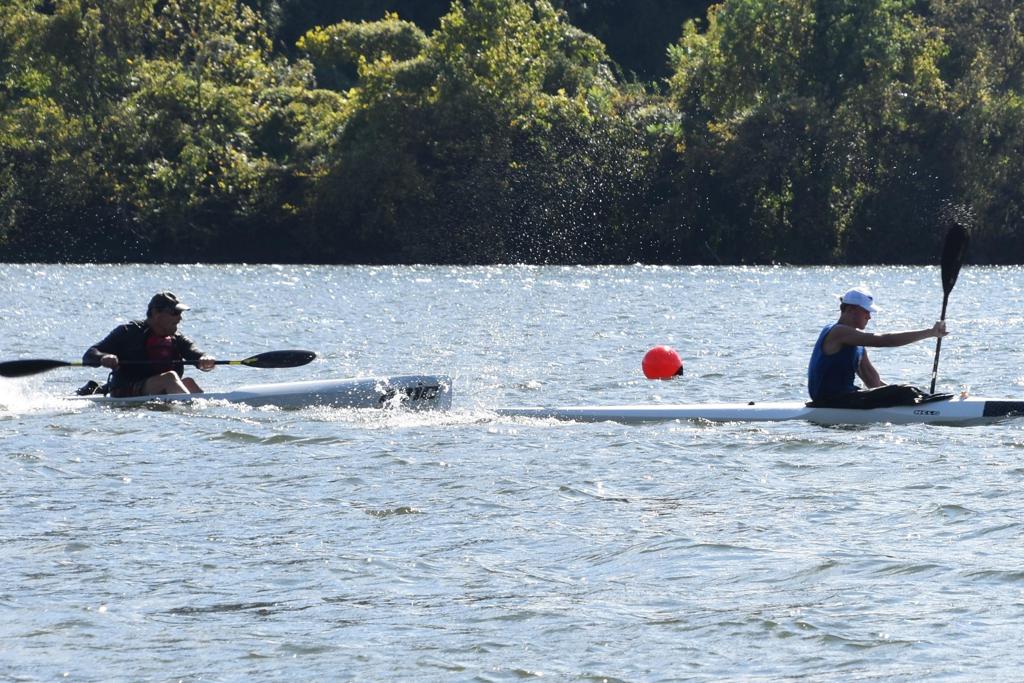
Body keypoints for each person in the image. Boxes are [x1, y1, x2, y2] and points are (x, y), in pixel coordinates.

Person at [807, 287, 947, 406]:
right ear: (850, 309)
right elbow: (886, 340)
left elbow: (873, 382)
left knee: (904, 391)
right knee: (906, 390)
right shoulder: (838, 331)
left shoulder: (856, 342)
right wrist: (930, 332)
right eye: (866, 311)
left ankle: (931, 402)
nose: (869, 317)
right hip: (830, 401)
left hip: (843, 399)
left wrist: (894, 393)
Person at [83, 292, 215, 397]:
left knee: (188, 382)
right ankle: (188, 409)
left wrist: (204, 358)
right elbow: (89, 354)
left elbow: (193, 351)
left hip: (156, 386)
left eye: (180, 313)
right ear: (156, 313)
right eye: (175, 313)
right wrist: (103, 358)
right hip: (126, 389)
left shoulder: (176, 338)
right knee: (170, 378)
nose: (180, 318)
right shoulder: (128, 332)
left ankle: (200, 416)